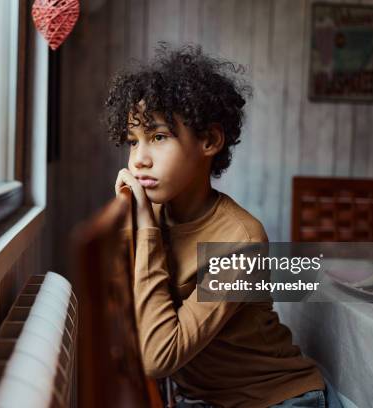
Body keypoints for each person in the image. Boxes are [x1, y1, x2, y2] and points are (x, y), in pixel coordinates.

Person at [105, 43, 341, 408]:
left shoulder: (241, 239)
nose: (140, 160)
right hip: (202, 399)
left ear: (210, 140)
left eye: (159, 137)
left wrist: (146, 230)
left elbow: (157, 356)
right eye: (133, 142)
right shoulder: (148, 217)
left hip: (277, 401)